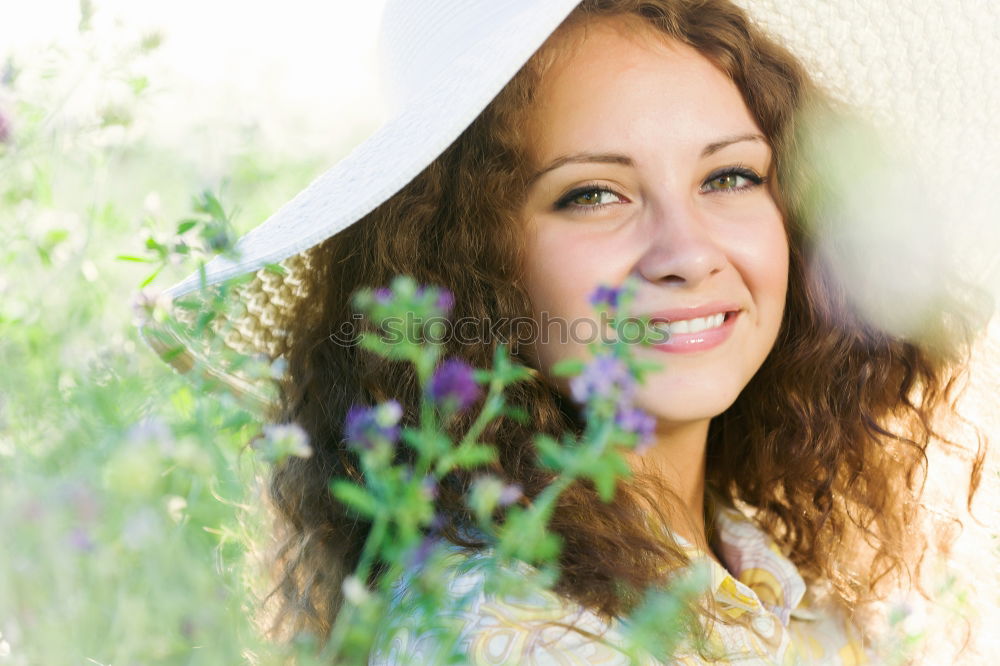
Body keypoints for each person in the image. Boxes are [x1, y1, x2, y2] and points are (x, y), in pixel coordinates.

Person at [140, 0, 991, 663]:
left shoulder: (781, 583)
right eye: (593, 193)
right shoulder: (509, 632)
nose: (687, 253)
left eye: (730, 176)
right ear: (468, 263)